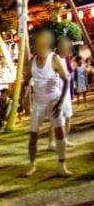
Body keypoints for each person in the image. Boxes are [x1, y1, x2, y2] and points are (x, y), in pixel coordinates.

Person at [23, 27, 72, 177]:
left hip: (53, 101)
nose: (40, 44)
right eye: (37, 42)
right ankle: (32, 165)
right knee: (33, 136)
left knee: (60, 133)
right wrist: (22, 100)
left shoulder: (54, 59)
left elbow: (66, 79)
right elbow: (26, 82)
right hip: (38, 104)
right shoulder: (32, 61)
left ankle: (61, 165)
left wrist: (59, 103)